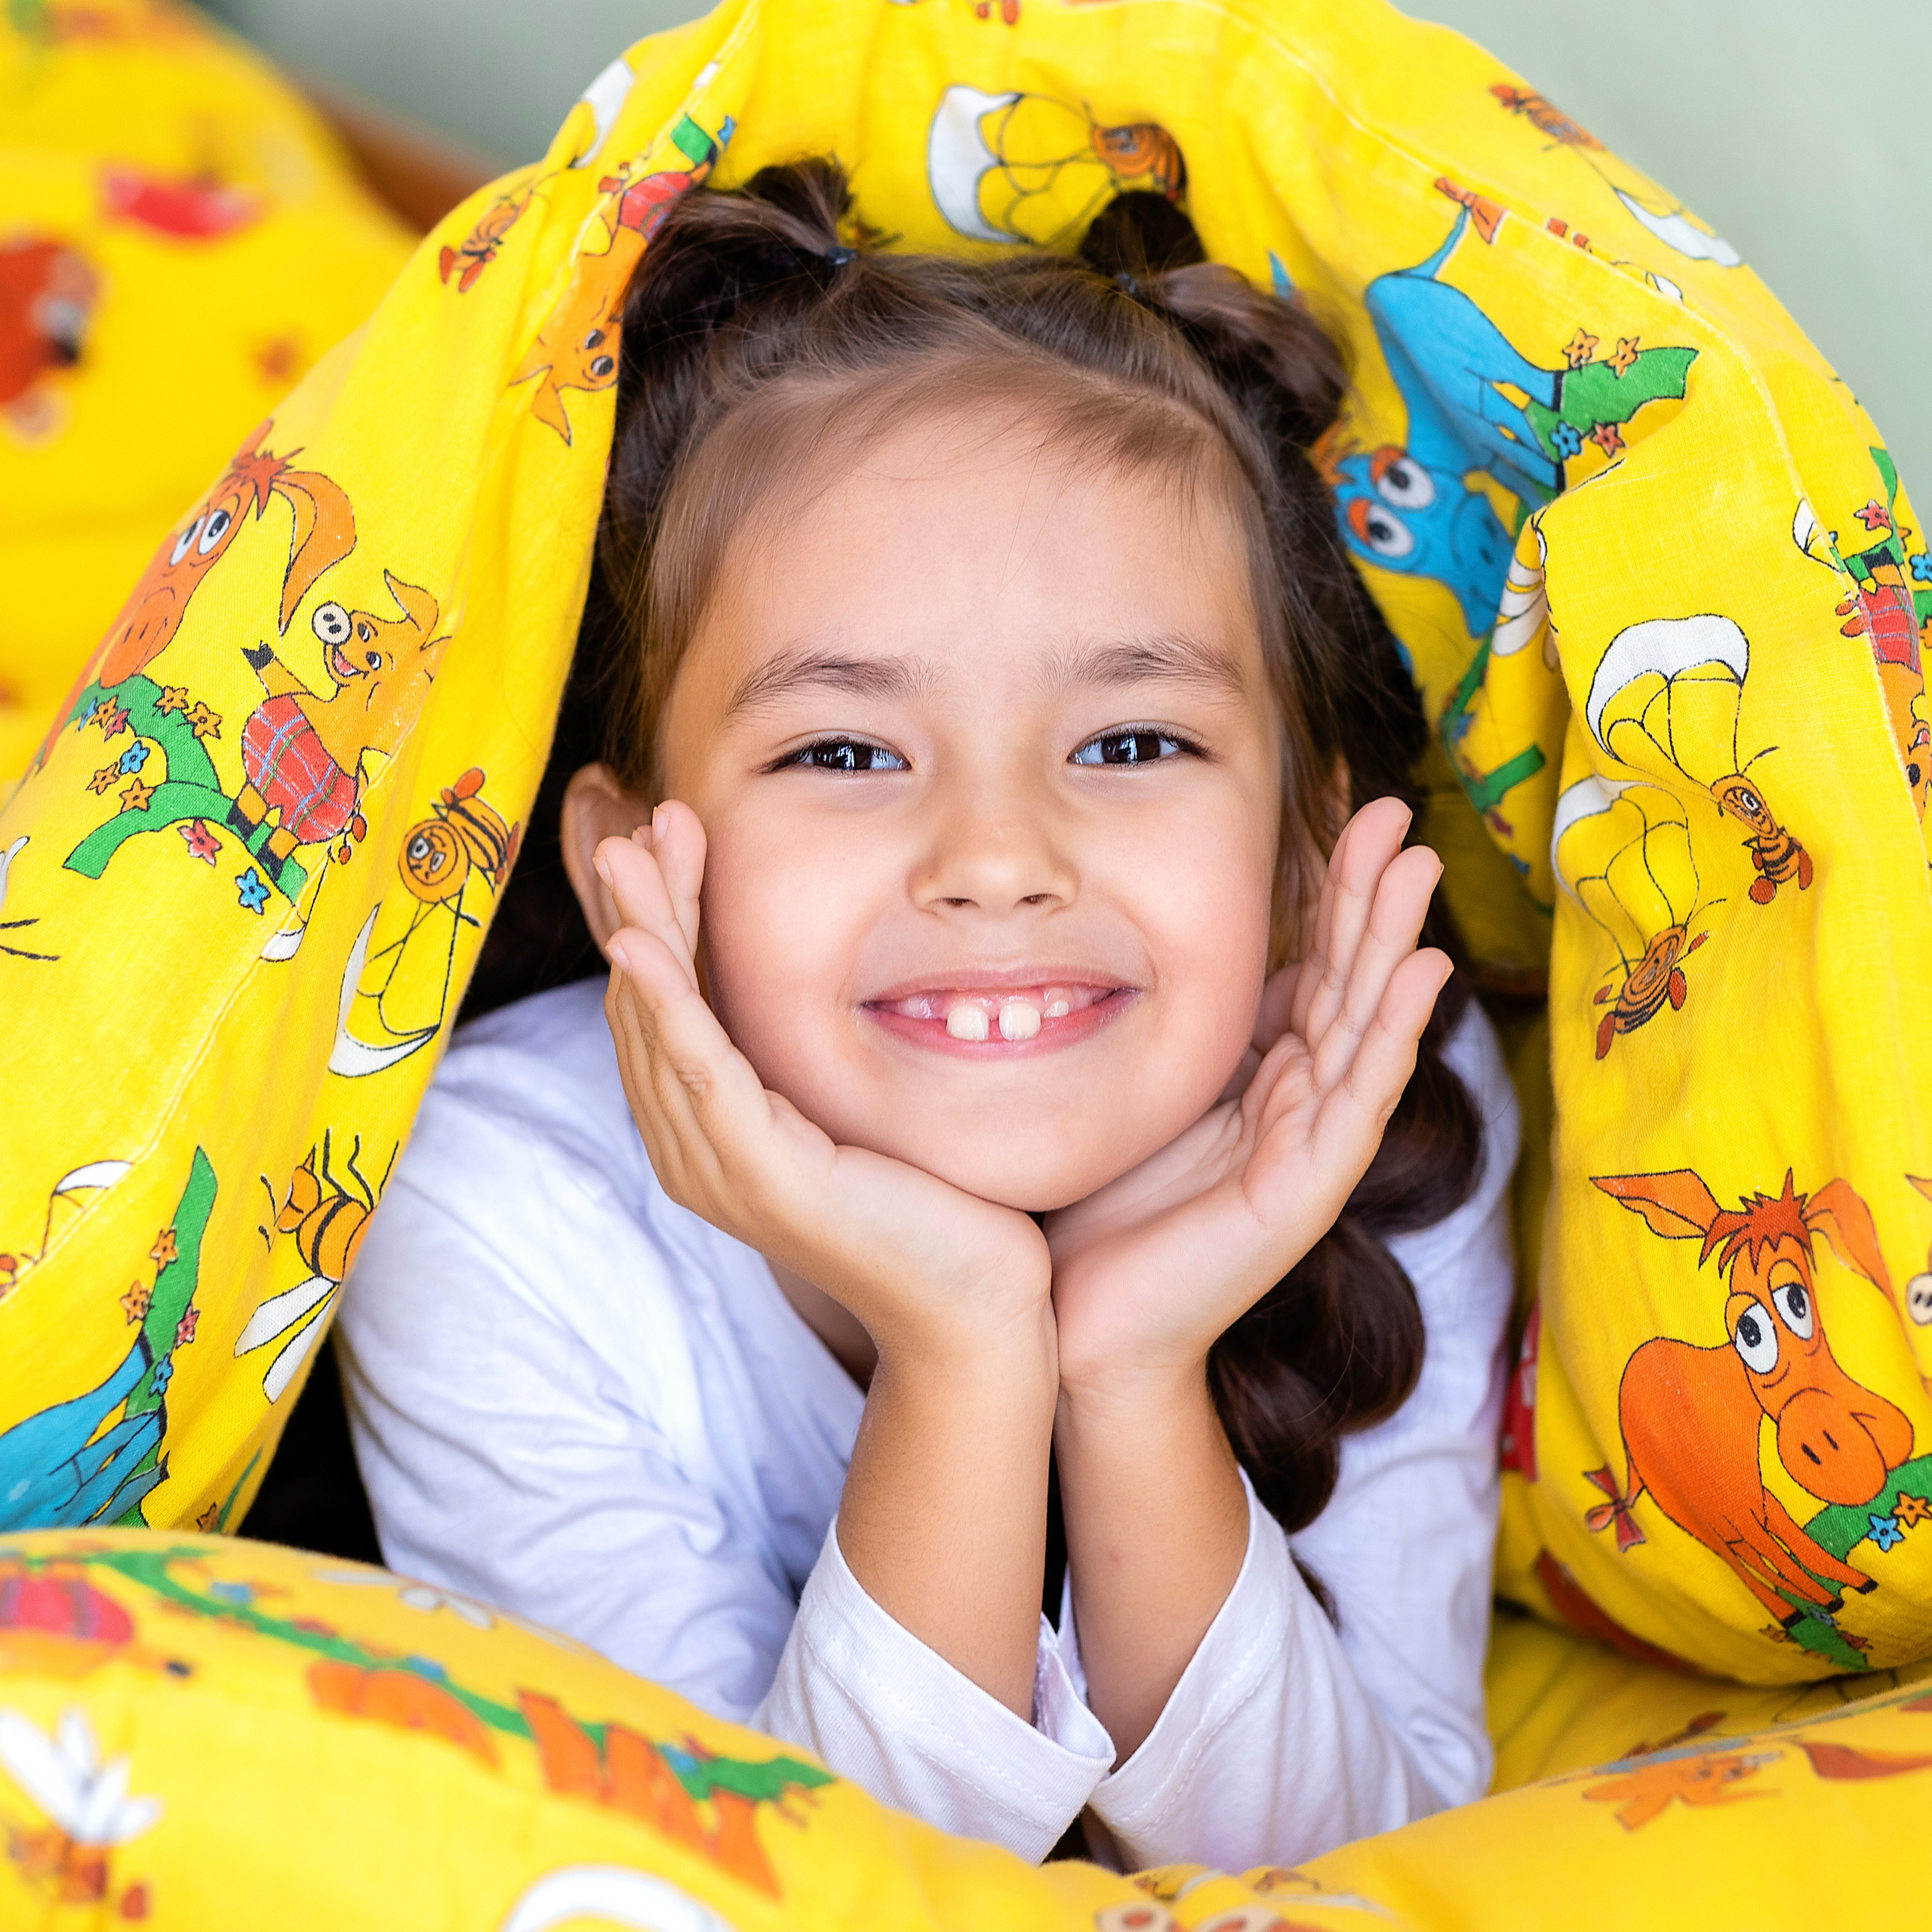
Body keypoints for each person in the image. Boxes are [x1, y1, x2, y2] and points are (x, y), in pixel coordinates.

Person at [335, 159, 1520, 1874]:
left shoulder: (1373, 1097)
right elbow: (776, 1889)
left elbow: (1370, 1857)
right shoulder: (490, 1203)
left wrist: (1129, 1366)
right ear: (626, 869)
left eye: (1128, 743)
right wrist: (965, 1343)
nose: (993, 858)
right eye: (841, 750)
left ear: (1297, 860)